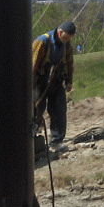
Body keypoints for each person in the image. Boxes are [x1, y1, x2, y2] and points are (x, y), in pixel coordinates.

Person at [32, 20, 76, 155]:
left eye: (69, 38)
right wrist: (31, 85)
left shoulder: (66, 45)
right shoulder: (42, 41)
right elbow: (33, 65)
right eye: (66, 37)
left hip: (56, 82)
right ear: (60, 32)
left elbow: (69, 62)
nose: (67, 40)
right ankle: (32, 140)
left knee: (59, 111)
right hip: (39, 82)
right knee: (36, 111)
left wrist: (69, 81)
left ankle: (56, 141)